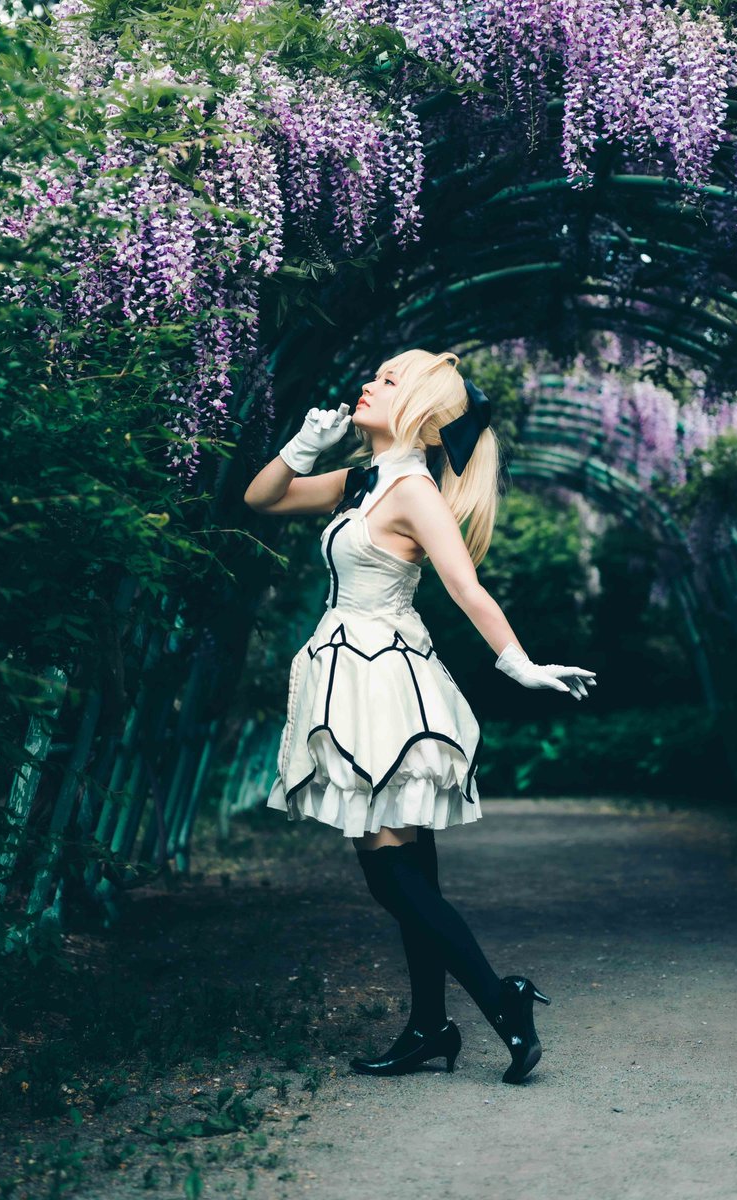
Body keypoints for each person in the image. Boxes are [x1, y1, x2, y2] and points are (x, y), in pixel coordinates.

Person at [243, 348, 597, 1084]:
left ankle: (501, 1000)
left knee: (389, 875)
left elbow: (466, 587)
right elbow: (262, 499)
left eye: (388, 380)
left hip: (382, 683)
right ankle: (430, 1026)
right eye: (374, 374)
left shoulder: (413, 491)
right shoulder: (361, 482)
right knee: (412, 874)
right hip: (354, 673)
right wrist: (302, 447)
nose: (368, 384)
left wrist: (520, 663)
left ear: (420, 412)